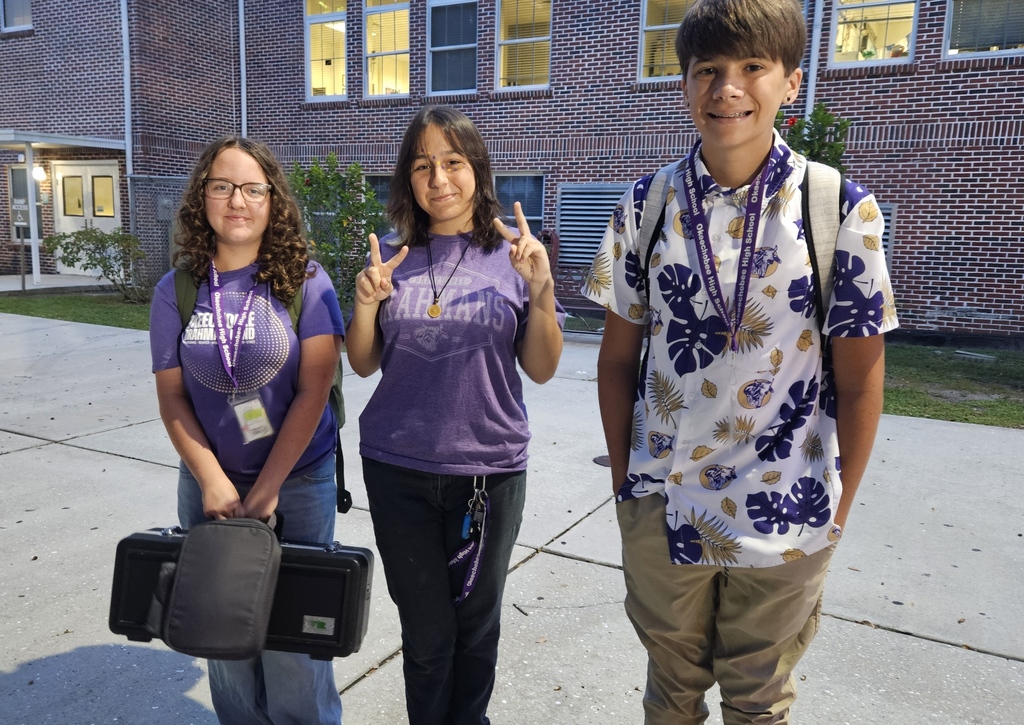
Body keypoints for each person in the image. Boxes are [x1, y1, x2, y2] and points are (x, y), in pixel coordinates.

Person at [584, 1, 898, 723]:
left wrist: (839, 510)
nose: (728, 88)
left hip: (788, 509)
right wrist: (629, 484)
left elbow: (860, 380)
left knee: (758, 701)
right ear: (685, 85)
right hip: (664, 503)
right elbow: (615, 361)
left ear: (791, 81)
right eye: (708, 71)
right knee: (671, 694)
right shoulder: (646, 204)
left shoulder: (838, 210)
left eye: (752, 67)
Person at [346, 105, 564, 725]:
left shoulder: (514, 256)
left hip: (487, 474)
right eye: (423, 166)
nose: (439, 178)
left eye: (452, 162)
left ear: (477, 170)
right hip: (397, 467)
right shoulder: (388, 256)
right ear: (407, 180)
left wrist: (542, 291)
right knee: (426, 633)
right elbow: (363, 364)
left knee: (475, 625)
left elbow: (542, 368)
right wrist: (365, 303)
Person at [149, 136, 345, 725]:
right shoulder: (175, 290)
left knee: (296, 642)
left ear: (272, 200)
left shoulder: (307, 283)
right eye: (222, 185)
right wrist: (210, 478)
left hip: (300, 482)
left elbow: (315, 391)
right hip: (209, 486)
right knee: (222, 631)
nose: (237, 200)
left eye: (252, 188)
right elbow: (173, 397)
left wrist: (268, 488)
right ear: (202, 197)